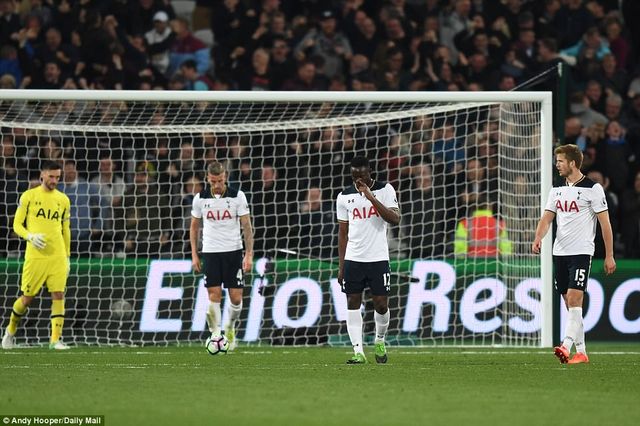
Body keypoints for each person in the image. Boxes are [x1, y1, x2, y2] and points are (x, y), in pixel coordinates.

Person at [532, 144, 616, 365]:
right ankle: (582, 352)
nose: (556, 164)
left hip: (581, 252)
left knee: (574, 298)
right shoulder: (556, 189)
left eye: (560, 161)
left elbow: (605, 224)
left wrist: (609, 255)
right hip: (560, 252)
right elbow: (547, 218)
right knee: (570, 304)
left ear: (572, 163)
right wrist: (538, 237)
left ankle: (565, 345)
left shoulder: (593, 188)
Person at [336, 156, 400, 364]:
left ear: (370, 172)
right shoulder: (344, 196)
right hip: (354, 259)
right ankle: (358, 352)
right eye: (354, 175)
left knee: (381, 305)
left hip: (378, 258)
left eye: (361, 175)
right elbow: (342, 233)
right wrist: (342, 266)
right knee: (352, 302)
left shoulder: (386, 190)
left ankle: (380, 340)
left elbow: (394, 219)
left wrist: (371, 197)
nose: (358, 179)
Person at [2, 161, 71, 350]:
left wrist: (67, 256)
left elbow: (65, 229)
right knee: (27, 298)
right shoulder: (29, 197)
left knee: (58, 294)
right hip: (36, 256)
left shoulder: (63, 200)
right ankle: (10, 330)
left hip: (57, 256)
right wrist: (30, 236)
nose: (55, 181)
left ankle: (55, 340)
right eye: (51, 176)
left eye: (58, 177)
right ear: (42, 175)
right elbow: (17, 225)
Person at [190, 162, 253, 351]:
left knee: (236, 298)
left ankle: (230, 327)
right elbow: (194, 227)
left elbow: (247, 226)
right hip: (210, 251)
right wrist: (194, 254)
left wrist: (248, 254)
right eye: (214, 181)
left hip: (233, 251)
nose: (217, 184)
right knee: (214, 294)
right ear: (208, 178)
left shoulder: (237, 196)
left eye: (220, 180)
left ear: (225, 176)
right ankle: (216, 334)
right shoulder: (200, 199)